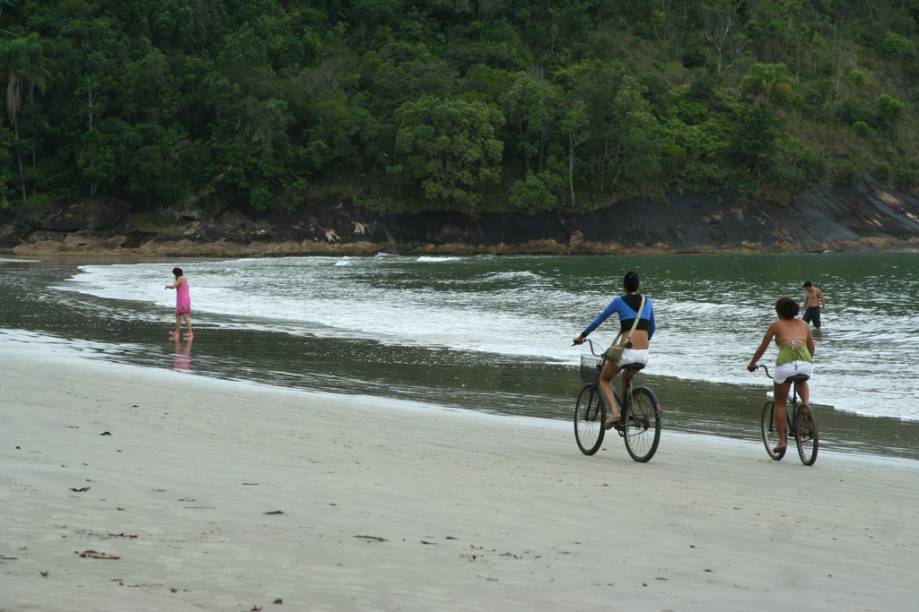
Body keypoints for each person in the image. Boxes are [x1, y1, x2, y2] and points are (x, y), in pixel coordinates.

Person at [573, 270, 656, 430]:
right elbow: (652, 328)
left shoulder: (618, 301)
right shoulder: (648, 301)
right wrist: (643, 342)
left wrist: (582, 336)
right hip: (643, 354)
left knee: (604, 379)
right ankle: (627, 414)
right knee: (626, 378)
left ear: (624, 286)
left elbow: (599, 320)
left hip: (627, 353)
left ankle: (615, 413)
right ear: (638, 285)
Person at [747, 296, 815, 454]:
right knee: (801, 381)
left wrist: (752, 363)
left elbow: (762, 347)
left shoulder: (776, 325)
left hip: (785, 365)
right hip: (805, 364)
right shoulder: (804, 324)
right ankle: (805, 406)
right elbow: (811, 348)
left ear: (779, 312)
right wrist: (807, 362)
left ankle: (782, 441)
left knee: (779, 403)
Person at [165, 267, 193, 340]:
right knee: (178, 316)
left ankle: (190, 333)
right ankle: (176, 332)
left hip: (183, 300)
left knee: (185, 316)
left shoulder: (180, 278)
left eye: (174, 274)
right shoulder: (183, 278)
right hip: (182, 299)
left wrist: (167, 286)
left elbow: (174, 286)